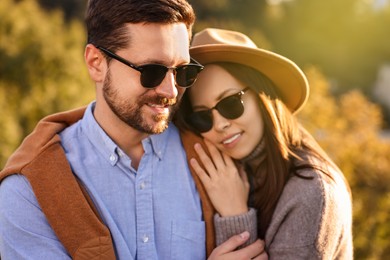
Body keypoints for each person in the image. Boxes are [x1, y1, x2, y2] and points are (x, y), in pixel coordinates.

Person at [0, 2, 267, 260]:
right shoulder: (28, 192)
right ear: (96, 63)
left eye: (182, 71)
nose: (171, 91)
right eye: (151, 71)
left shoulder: (215, 157)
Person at [174, 28, 353, 259]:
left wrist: (235, 216)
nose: (219, 124)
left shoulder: (311, 192)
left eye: (230, 103)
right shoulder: (230, 176)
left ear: (263, 96)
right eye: (202, 116)